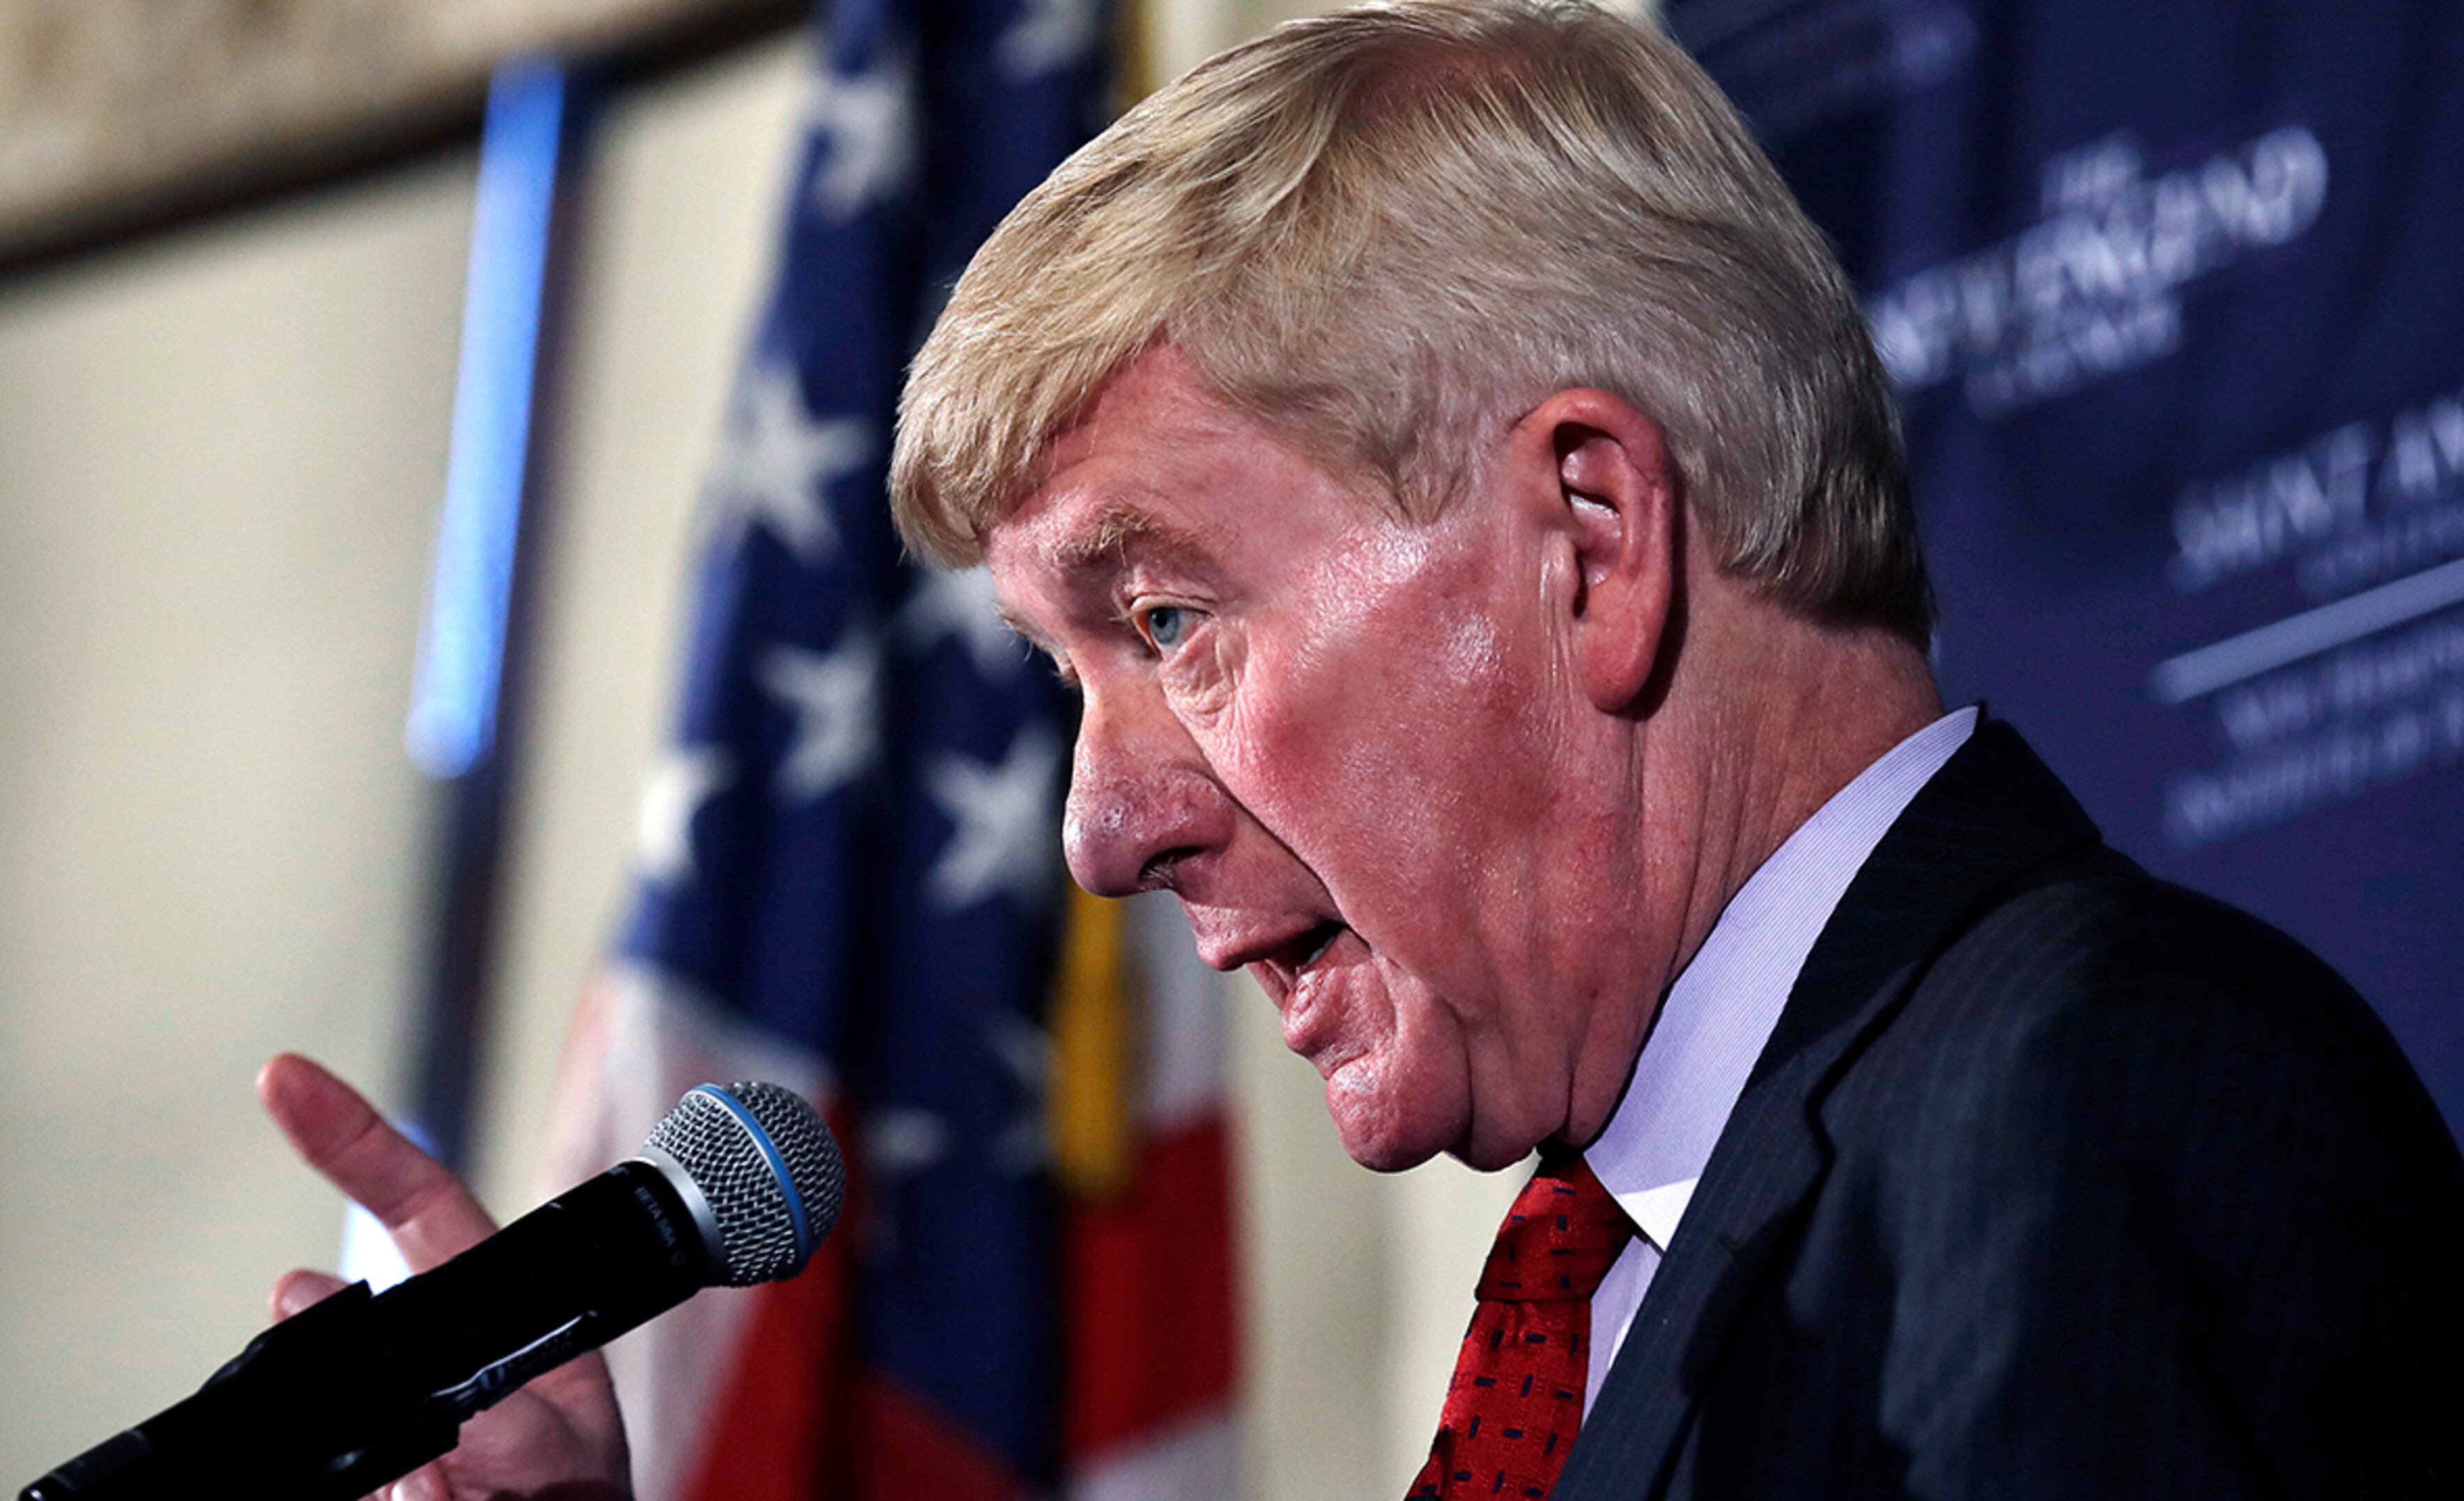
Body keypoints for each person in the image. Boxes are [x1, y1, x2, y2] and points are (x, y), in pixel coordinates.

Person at [259, 1, 2464, 1497]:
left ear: (1588, 541)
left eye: (1173, 620)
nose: (1100, 828)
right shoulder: (1663, 1252)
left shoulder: (2085, 1107)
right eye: (1071, 671)